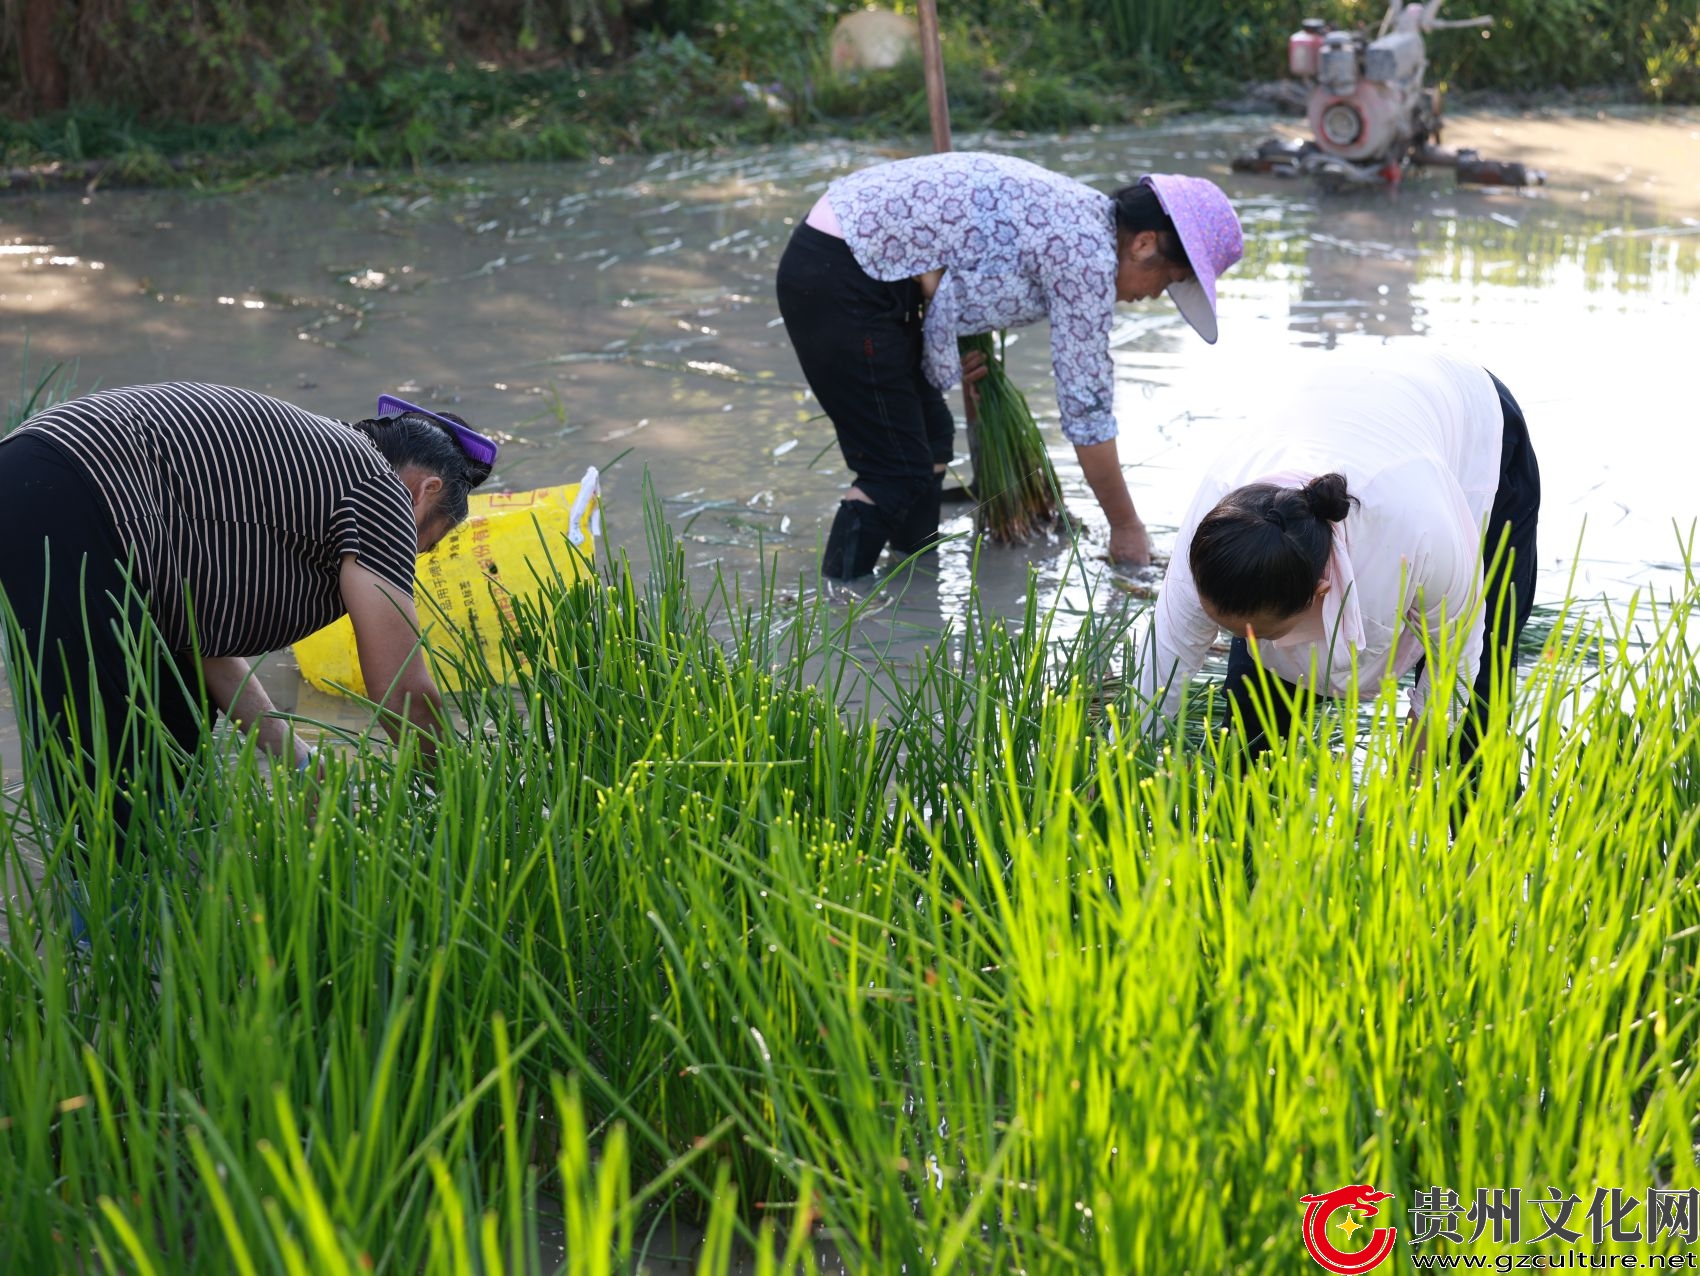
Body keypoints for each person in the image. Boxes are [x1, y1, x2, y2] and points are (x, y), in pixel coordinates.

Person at [0, 382, 499, 844]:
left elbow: (194, 638)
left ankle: (141, 912)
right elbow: (403, 692)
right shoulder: (383, 491)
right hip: (72, 486)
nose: (409, 559)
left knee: (170, 719)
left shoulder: (307, 479)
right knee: (121, 780)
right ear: (425, 492)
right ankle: (111, 931)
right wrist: (464, 800)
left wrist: (299, 760)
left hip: (38, 476)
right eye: (425, 544)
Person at [775, 151, 1244, 580]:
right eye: (1169, 278)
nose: (1154, 294)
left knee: (932, 434)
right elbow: (1087, 412)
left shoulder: (1082, 216)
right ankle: (838, 606)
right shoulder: (1088, 258)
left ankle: (914, 584)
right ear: (1144, 243)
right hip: (843, 273)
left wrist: (945, 345)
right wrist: (1125, 526)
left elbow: (953, 263)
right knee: (895, 467)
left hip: (864, 265)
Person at [1133, 347, 1540, 765]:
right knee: (1250, 741)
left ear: (1319, 592)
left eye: (1260, 634)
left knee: (1477, 707)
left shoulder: (1419, 529)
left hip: (1476, 425)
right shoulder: (1215, 525)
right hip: (1352, 405)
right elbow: (1165, 663)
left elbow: (1455, 671)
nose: (1243, 641)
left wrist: (1399, 788)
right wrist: (1121, 759)